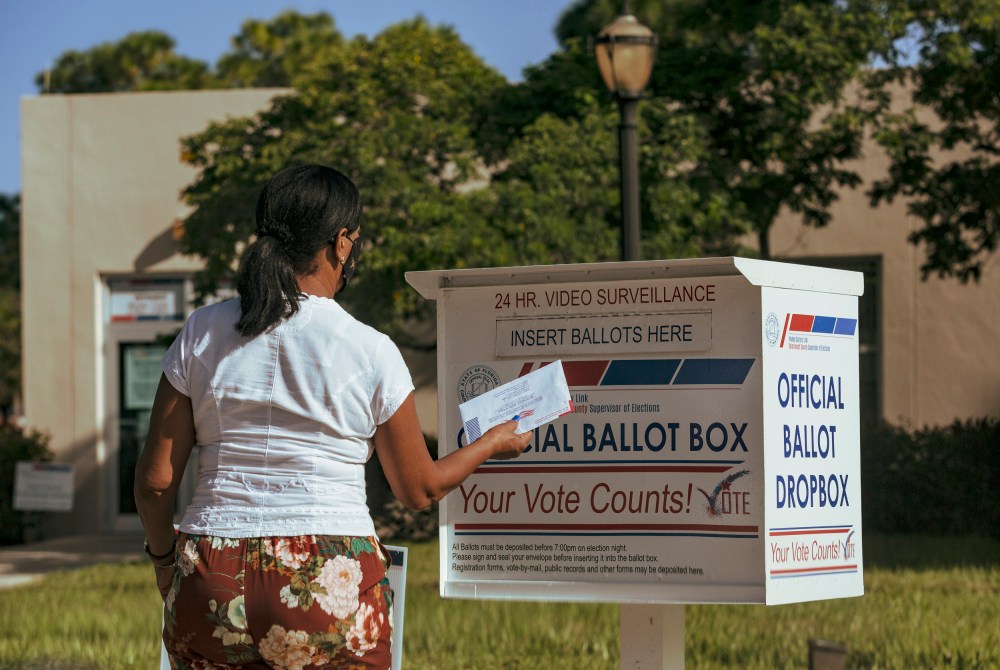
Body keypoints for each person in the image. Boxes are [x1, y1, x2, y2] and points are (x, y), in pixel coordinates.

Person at [134, 163, 531, 669]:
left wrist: (166, 564)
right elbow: (419, 489)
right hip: (328, 576)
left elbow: (153, 482)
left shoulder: (201, 331)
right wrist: (492, 442)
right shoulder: (369, 349)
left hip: (212, 570)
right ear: (341, 244)